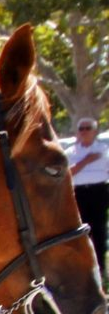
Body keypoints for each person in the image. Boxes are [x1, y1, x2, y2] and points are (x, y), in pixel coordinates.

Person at [65, 117, 107, 287]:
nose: (84, 131)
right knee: (79, 233)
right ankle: (81, 271)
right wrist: (86, 161)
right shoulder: (71, 152)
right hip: (79, 193)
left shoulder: (104, 150)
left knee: (99, 231)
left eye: (87, 128)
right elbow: (68, 173)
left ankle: (100, 270)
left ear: (94, 131)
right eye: (81, 128)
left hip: (99, 192)